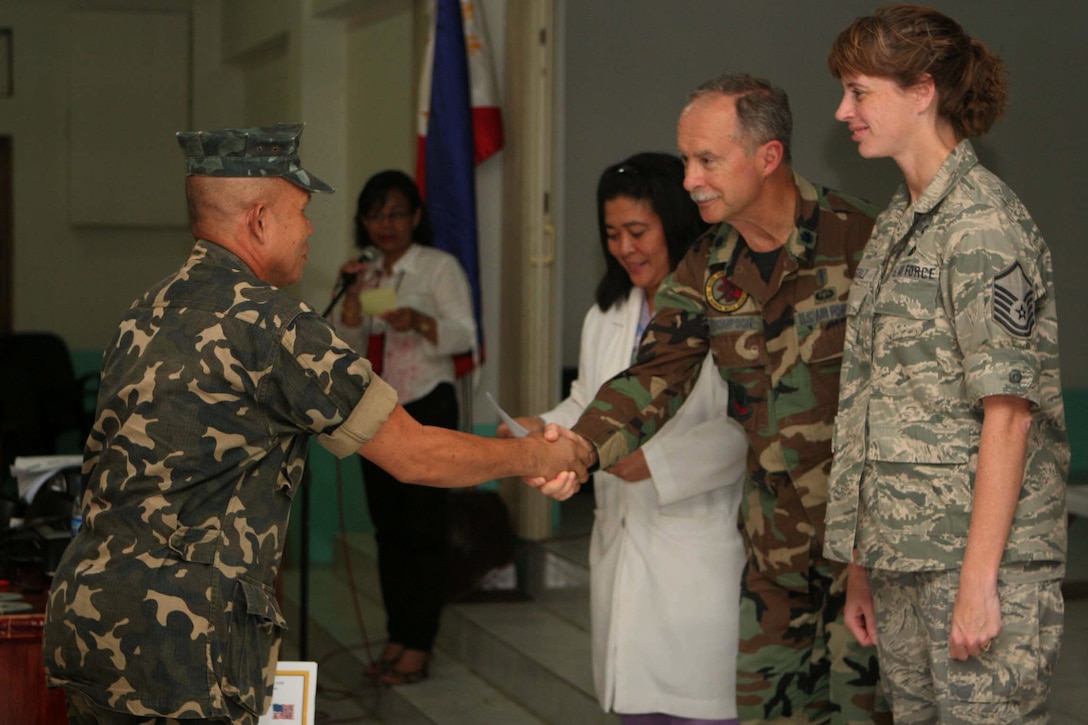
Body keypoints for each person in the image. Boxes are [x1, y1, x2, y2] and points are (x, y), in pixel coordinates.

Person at [41, 123, 591, 725]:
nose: (309, 230)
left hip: (89, 613)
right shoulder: (271, 321)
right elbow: (415, 456)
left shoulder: (145, 309)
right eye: (301, 212)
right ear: (257, 221)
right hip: (187, 644)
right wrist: (536, 456)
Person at [540, 75, 892, 724]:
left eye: (706, 159)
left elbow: (915, 400)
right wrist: (584, 448)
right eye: (685, 160)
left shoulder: (865, 240)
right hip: (773, 563)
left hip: (867, 556)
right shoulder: (707, 265)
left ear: (768, 156)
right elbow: (654, 375)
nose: (691, 179)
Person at [824, 6, 1067, 723]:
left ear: (921, 90)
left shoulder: (983, 226)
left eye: (859, 92)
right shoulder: (901, 221)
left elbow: (1009, 414)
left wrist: (979, 580)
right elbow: (878, 403)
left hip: (978, 566)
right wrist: (864, 564)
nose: (843, 112)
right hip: (906, 561)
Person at [505, 152, 748, 724]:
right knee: (632, 702)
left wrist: (655, 462)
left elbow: (747, 425)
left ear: (677, 223)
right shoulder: (607, 314)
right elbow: (590, 402)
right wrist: (541, 427)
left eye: (638, 231)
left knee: (696, 701)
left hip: (697, 552)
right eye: (612, 234)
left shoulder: (728, 311)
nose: (624, 248)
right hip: (621, 543)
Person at [333, 169, 475, 685]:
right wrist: (351, 302)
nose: (385, 224)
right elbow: (344, 348)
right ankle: (396, 635)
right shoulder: (361, 271)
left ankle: (419, 643)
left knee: (423, 534)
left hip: (427, 405)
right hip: (376, 411)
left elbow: (465, 336)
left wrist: (417, 320)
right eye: (375, 214)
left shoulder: (438, 267)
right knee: (389, 533)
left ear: (416, 216)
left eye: (396, 213)